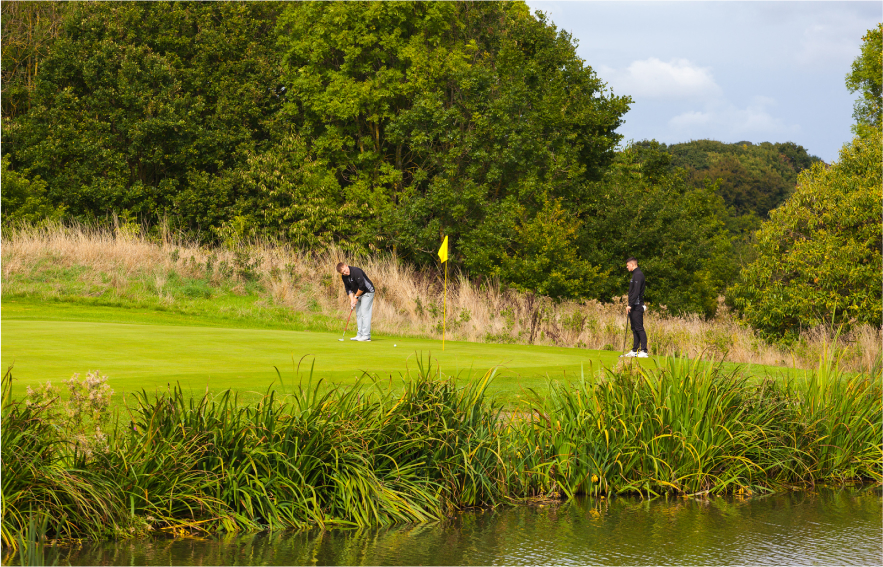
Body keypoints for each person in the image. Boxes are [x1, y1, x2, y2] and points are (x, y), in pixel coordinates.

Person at [336, 262, 375, 341]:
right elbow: (348, 289)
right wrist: (352, 300)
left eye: (345, 270)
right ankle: (360, 334)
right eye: (342, 273)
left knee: (364, 313)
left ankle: (366, 336)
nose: (345, 273)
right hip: (359, 293)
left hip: (368, 292)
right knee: (358, 314)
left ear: (346, 266)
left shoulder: (356, 271)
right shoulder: (344, 277)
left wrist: (356, 297)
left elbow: (362, 286)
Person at [622, 257, 648, 358]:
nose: (627, 267)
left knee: (639, 328)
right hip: (634, 306)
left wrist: (630, 305)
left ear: (632, 265)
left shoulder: (638, 275)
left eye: (628, 265)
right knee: (634, 328)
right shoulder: (635, 275)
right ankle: (634, 350)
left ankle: (644, 351)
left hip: (637, 306)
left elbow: (636, 292)